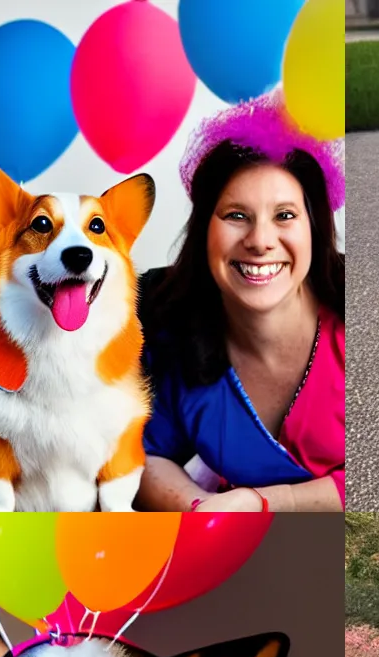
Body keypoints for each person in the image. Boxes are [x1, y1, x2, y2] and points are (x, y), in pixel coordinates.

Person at [136, 95, 343, 511]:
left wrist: (264, 504)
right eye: (236, 215)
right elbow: (145, 456)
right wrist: (201, 510)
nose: (261, 241)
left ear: (314, 229)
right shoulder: (170, 330)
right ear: (203, 231)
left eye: (284, 215)